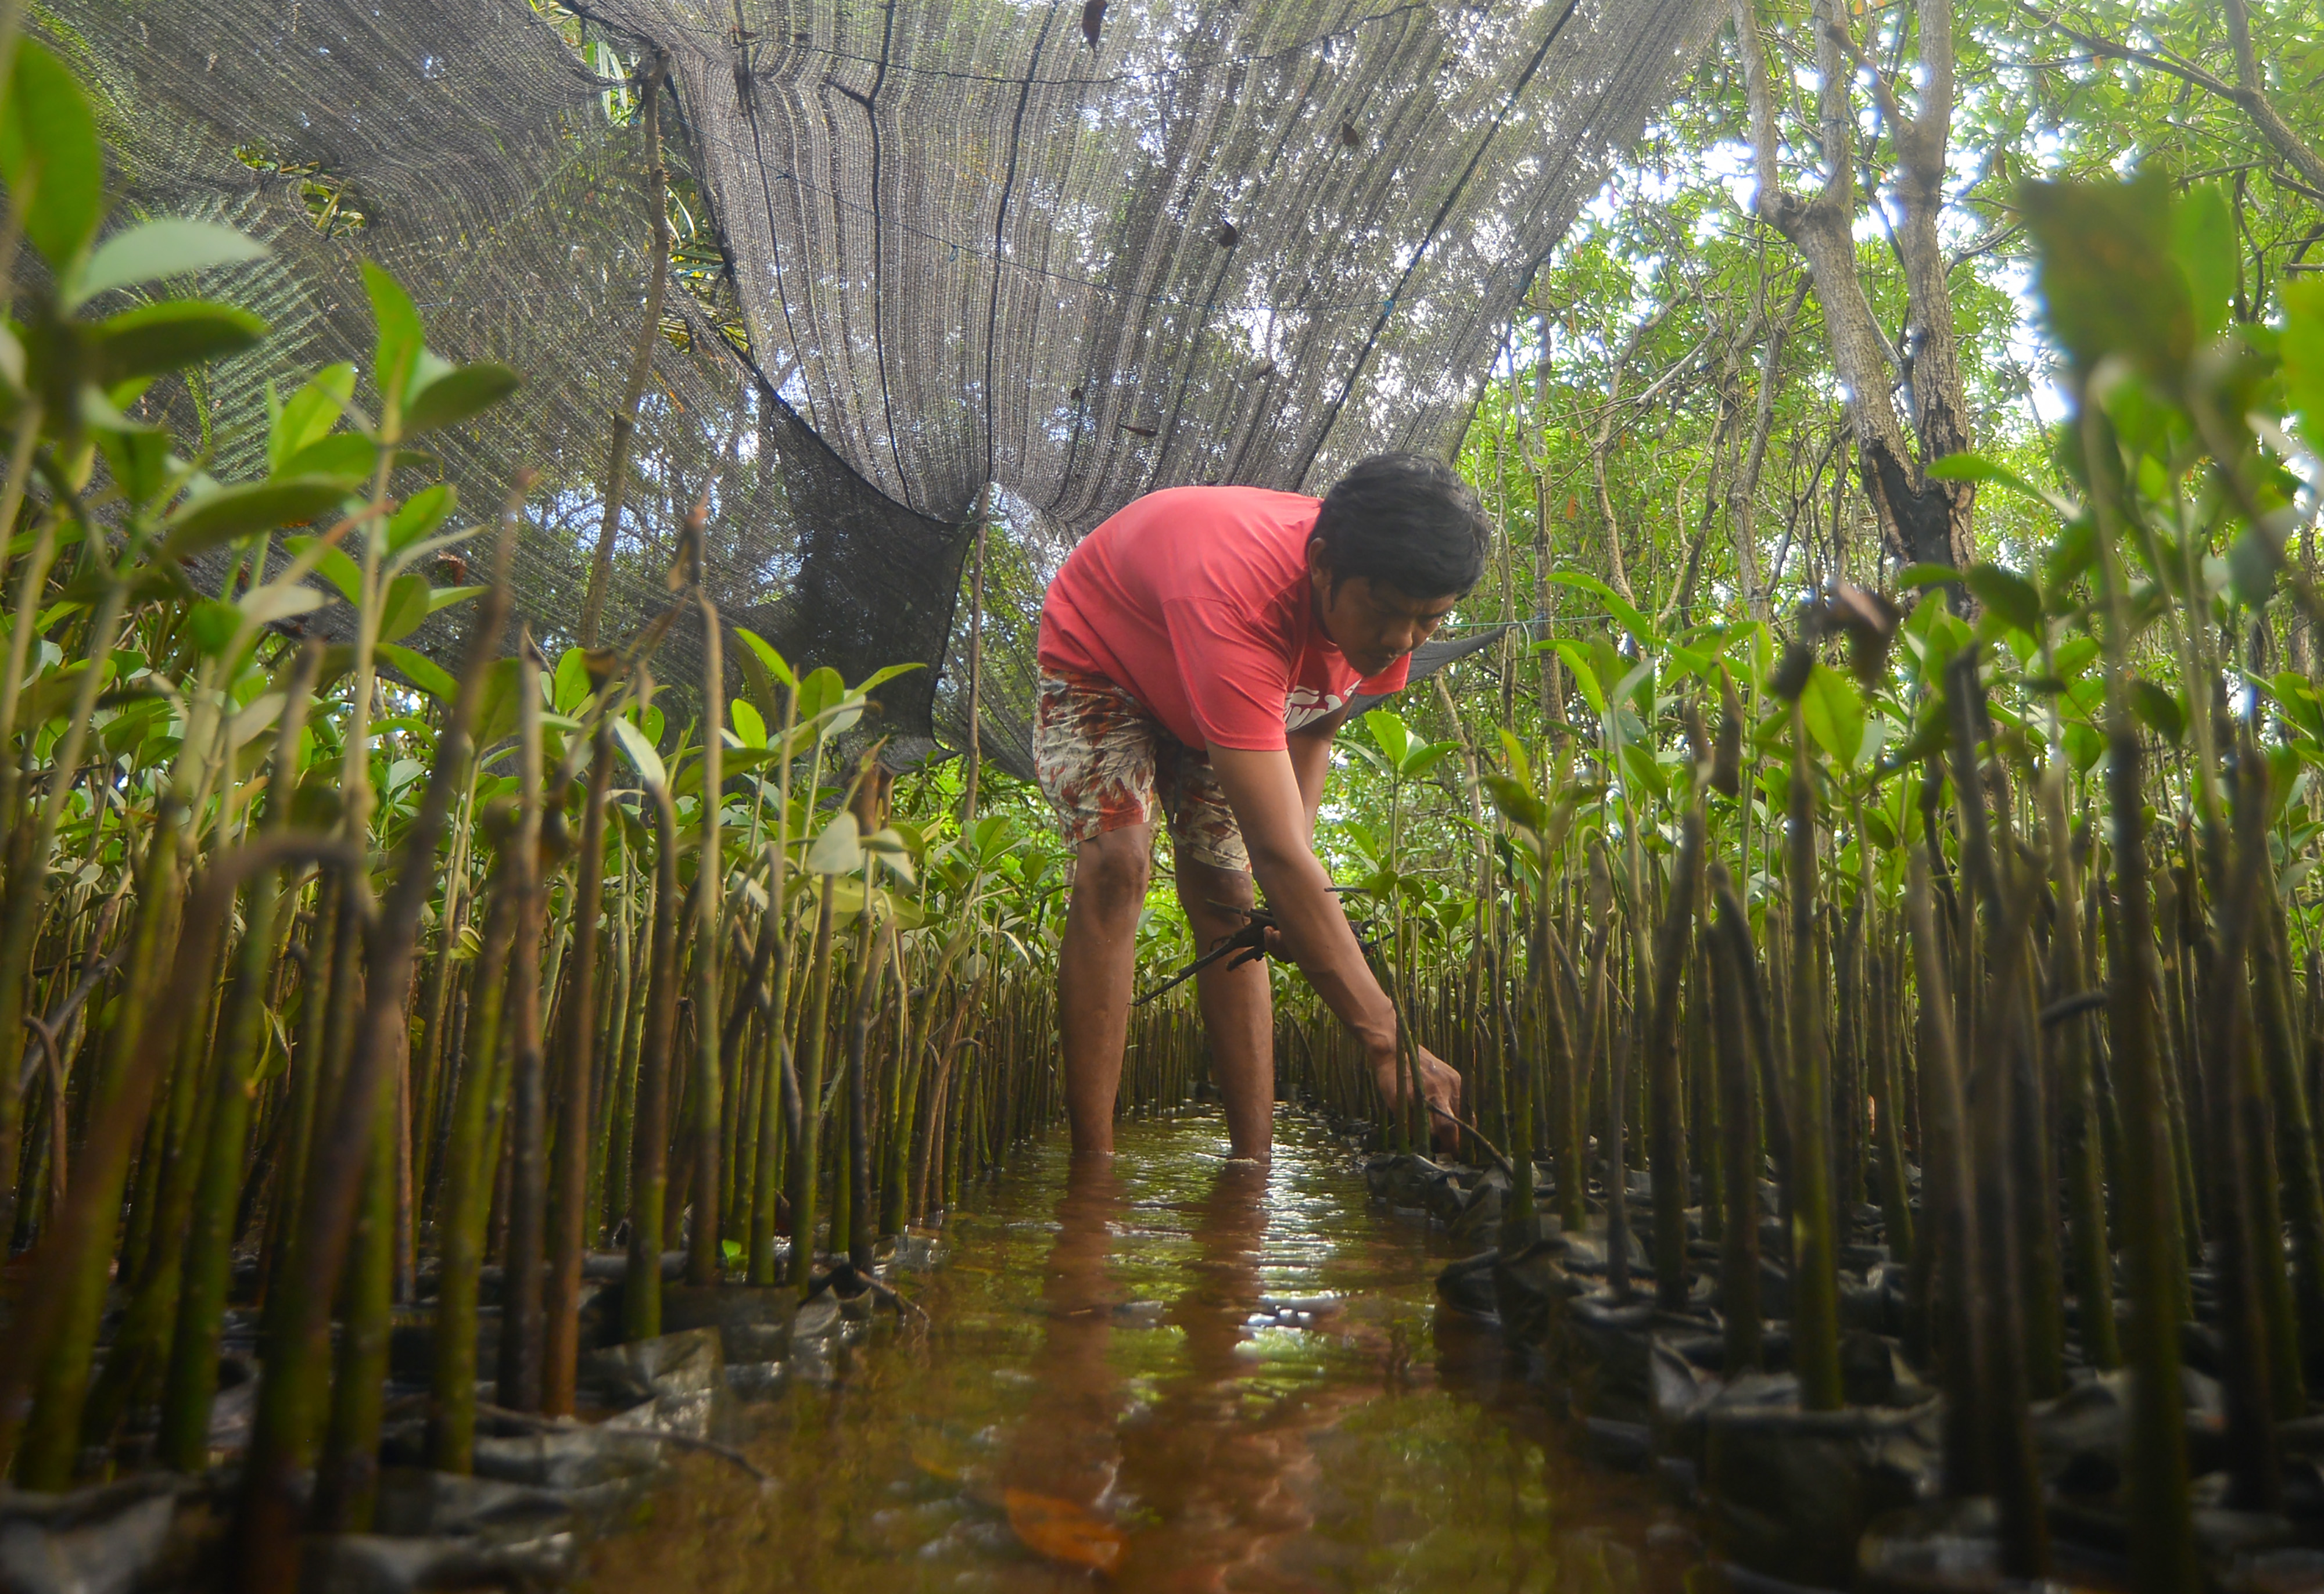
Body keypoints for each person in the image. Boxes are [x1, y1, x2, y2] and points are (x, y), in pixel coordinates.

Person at [1034, 451, 1478, 1162]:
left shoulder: (1394, 603)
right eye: (1389, 613)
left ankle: (1253, 1167)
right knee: (1119, 864)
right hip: (1107, 653)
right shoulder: (1239, 599)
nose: (1403, 640)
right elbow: (1279, 851)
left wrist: (1290, 899)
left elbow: (1316, 725)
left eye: (1429, 620)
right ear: (1323, 563)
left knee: (1232, 899)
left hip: (1228, 687)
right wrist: (1386, 1039)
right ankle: (1094, 1169)